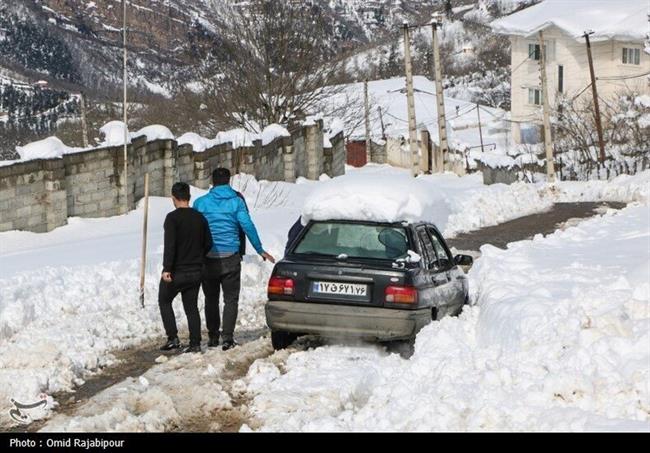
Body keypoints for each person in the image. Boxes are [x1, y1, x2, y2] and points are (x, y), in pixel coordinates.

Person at [194, 168, 275, 351]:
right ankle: (228, 338)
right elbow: (247, 225)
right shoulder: (237, 202)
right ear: (229, 181)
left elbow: (194, 229)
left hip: (208, 258)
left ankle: (213, 336)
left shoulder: (200, 203)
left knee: (211, 299)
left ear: (212, 182)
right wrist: (260, 249)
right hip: (230, 256)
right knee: (231, 299)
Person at [158, 182, 213, 354]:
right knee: (191, 308)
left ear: (173, 198)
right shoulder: (200, 217)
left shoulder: (172, 218)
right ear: (189, 197)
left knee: (164, 300)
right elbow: (209, 243)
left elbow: (170, 245)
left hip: (177, 272)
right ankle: (195, 343)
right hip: (196, 271)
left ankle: (173, 338)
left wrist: (167, 268)